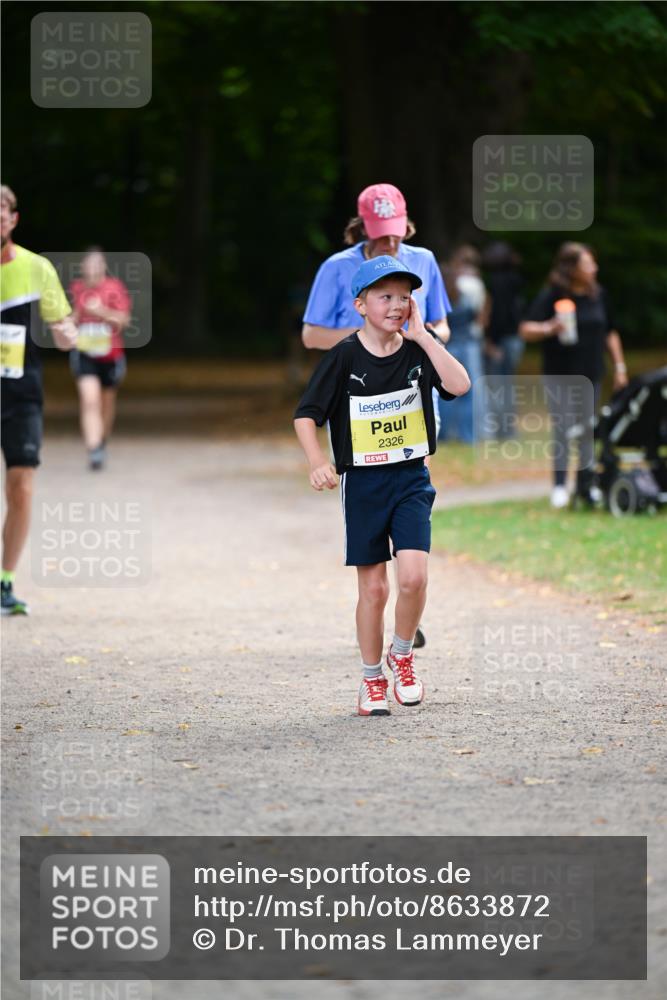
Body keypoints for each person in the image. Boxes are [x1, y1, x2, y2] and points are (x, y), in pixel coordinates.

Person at [294, 256, 470, 717]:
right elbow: (306, 415)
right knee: (374, 590)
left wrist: (426, 338)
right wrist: (318, 462)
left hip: (412, 477)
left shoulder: (418, 351)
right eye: (384, 296)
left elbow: (460, 384)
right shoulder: (344, 357)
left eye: (404, 296)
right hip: (364, 484)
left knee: (414, 577)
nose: (396, 305)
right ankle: (372, 679)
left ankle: (403, 653)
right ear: (360, 304)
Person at [302, 182, 451, 648]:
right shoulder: (338, 268)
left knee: (412, 477)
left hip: (412, 385)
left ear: (405, 223)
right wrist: (373, 332)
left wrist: (420, 334)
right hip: (360, 396)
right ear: (361, 226)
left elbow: (442, 323)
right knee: (373, 485)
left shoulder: (423, 260)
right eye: (379, 234)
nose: (389, 244)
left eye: (395, 234)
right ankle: (380, 594)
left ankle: (409, 592)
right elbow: (311, 335)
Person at [1, 184, 77, 615]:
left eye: (2, 211)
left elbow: (62, 327)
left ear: (13, 219)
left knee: (22, 485)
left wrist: (67, 334)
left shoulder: (36, 268)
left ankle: (5, 580)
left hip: (20, 392)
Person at [520, 242, 629, 508]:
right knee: (563, 427)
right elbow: (525, 329)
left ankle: (586, 484)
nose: (594, 268)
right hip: (559, 374)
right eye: (588, 264)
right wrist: (549, 328)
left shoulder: (598, 295)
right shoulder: (553, 295)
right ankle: (559, 486)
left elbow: (610, 332)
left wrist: (620, 366)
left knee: (586, 430)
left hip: (591, 373)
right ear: (572, 268)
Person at [69, 248, 131, 470]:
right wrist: (75, 315)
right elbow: (68, 320)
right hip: (85, 354)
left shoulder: (115, 288)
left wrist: (101, 311)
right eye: (88, 266)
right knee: (89, 399)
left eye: (97, 266)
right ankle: (93, 448)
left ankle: (102, 441)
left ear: (103, 267)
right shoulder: (76, 288)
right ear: (83, 268)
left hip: (111, 354)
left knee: (106, 402)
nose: (92, 271)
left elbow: (123, 321)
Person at [437, 251, 487, 444]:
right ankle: (469, 435)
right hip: (468, 345)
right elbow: (475, 315)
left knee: (445, 392)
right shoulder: (464, 295)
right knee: (470, 392)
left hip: (447, 347)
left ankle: (444, 433)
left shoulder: (440, 300)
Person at [481, 241, 525, 439]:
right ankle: (508, 430)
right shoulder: (516, 279)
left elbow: (498, 314)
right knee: (509, 385)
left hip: (501, 340)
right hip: (516, 338)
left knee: (498, 386)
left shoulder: (496, 281)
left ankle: (502, 431)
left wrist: (491, 341)